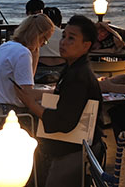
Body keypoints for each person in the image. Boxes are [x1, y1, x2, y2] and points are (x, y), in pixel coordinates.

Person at [15, 15, 103, 186]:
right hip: (71, 144)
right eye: (64, 36)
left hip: (76, 149)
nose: (63, 42)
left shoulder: (78, 77)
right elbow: (63, 99)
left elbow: (64, 122)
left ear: (86, 45)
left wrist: (31, 104)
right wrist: (37, 95)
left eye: (71, 38)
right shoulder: (72, 68)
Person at [0, 14, 53, 110]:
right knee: (51, 109)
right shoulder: (23, 53)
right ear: (39, 36)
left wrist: (35, 55)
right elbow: (27, 94)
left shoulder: (5, 46)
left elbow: (27, 82)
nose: (43, 44)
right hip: (8, 110)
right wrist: (54, 92)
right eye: (45, 40)